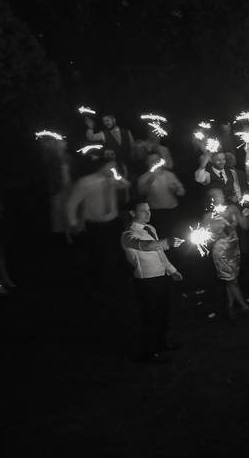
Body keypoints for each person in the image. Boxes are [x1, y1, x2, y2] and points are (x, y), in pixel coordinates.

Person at [120, 201, 184, 362]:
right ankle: (150, 352)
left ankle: (162, 344)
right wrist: (166, 242)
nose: (148, 214)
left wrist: (172, 270)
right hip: (146, 281)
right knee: (150, 316)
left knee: (162, 313)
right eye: (143, 211)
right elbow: (145, 246)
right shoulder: (127, 235)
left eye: (149, 210)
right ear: (132, 213)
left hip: (162, 276)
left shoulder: (151, 228)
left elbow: (159, 252)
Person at [66, 156, 131, 292]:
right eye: (110, 166)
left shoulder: (112, 180)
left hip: (113, 221)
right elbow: (71, 204)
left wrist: (117, 176)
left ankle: (120, 278)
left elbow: (126, 185)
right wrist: (73, 222)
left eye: (114, 166)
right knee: (98, 254)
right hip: (96, 225)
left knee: (119, 249)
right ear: (101, 166)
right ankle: (99, 284)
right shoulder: (85, 182)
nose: (113, 169)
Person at [205, 188, 249, 321]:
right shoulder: (209, 216)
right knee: (232, 280)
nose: (219, 197)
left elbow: (245, 226)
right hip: (221, 251)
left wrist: (246, 214)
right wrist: (216, 232)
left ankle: (230, 306)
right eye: (215, 196)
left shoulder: (232, 208)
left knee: (231, 280)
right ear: (211, 200)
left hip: (234, 249)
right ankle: (245, 307)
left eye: (220, 194)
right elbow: (207, 238)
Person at [137, 153, 185, 239]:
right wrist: (150, 179)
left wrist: (176, 189)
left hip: (172, 210)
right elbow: (141, 193)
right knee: (160, 237)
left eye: (157, 160)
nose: (155, 162)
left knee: (175, 236)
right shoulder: (143, 178)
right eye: (152, 161)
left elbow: (182, 192)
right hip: (155, 212)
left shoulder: (169, 175)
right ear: (147, 163)